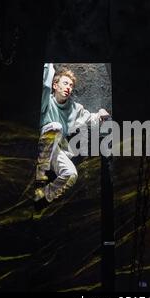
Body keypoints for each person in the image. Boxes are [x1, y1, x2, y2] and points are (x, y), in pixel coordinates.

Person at [35, 63, 110, 202]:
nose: (68, 88)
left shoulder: (74, 108)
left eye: (71, 85)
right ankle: (40, 176)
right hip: (40, 146)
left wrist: (100, 115)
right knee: (55, 127)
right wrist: (48, 65)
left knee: (71, 174)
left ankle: (41, 196)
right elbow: (45, 85)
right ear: (55, 86)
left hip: (55, 149)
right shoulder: (46, 101)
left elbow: (90, 118)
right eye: (65, 83)